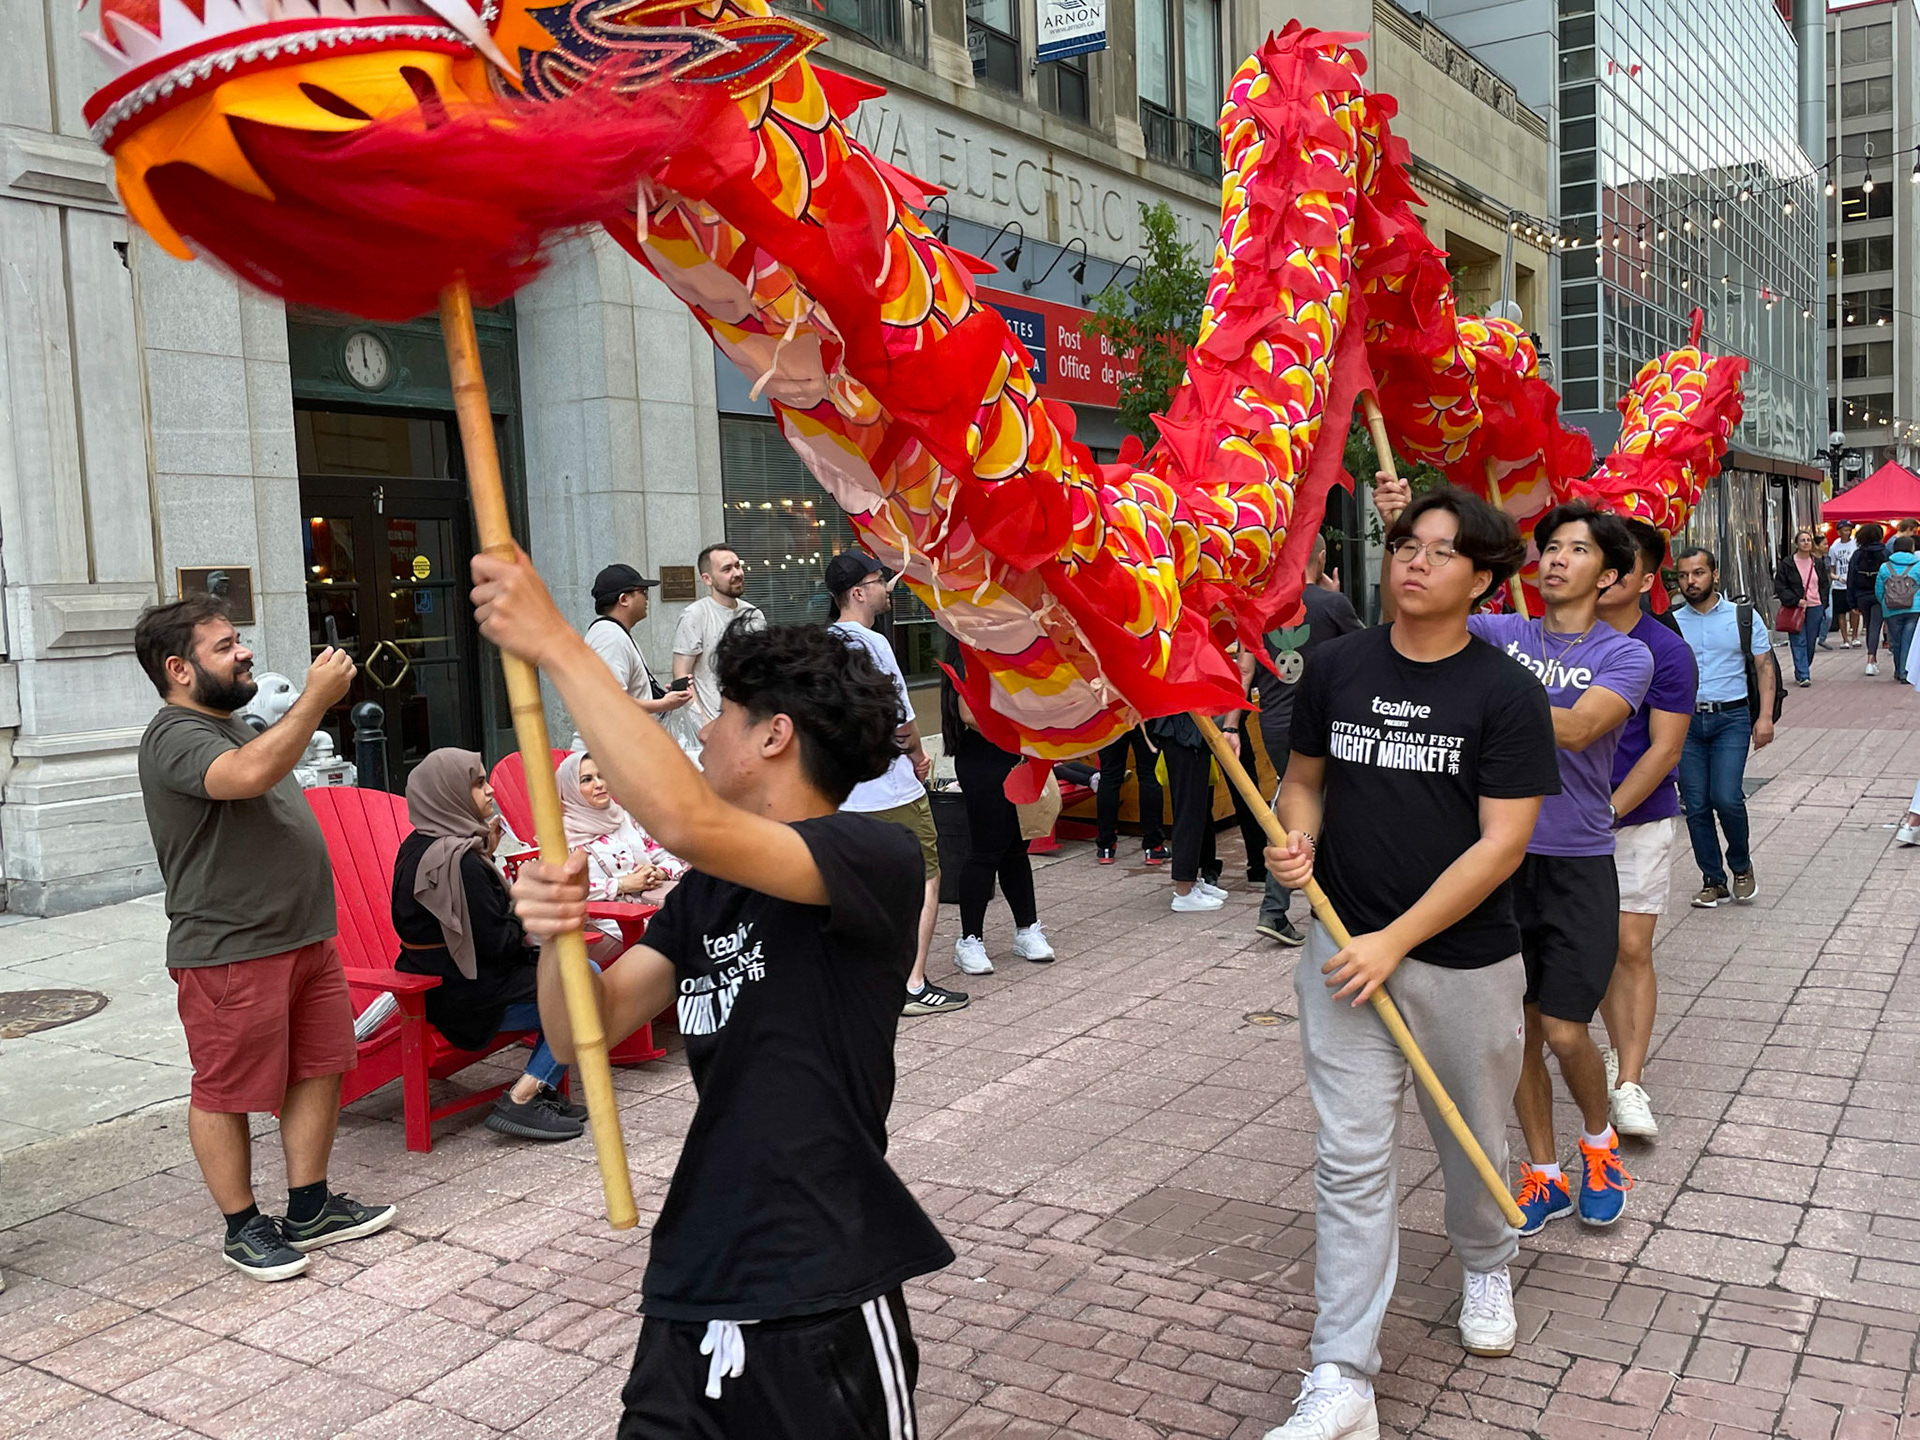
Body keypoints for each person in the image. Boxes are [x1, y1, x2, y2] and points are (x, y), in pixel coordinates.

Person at [468, 541, 955, 1440]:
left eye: (722, 712)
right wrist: (556, 932)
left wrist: (559, 648)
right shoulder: (706, 895)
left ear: (775, 735)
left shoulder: (870, 859)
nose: (704, 730)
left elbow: (684, 821)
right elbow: (590, 1027)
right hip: (697, 1270)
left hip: (821, 1279)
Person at [1261, 486, 1558, 1440]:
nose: (1415, 561)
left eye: (1441, 550)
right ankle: (1342, 1371)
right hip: (1343, 952)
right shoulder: (1339, 667)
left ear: (1482, 579)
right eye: (1405, 544)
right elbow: (1302, 782)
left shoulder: (1504, 691)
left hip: (1462, 965)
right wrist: (1293, 845)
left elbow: (1501, 845)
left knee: (1472, 1137)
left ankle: (1484, 1265)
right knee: (1348, 1161)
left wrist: (1399, 941)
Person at [1381, 487, 1652, 1232]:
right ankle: (1542, 1171)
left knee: (1566, 1030)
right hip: (1496, 862)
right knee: (1515, 1036)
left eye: (1578, 551)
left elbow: (1576, 729)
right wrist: (1399, 526)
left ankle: (1598, 1145)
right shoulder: (1501, 630)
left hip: (1576, 860)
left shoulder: (1624, 655)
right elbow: (1421, 616)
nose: (1557, 560)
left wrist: (1492, 695)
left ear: (1609, 576)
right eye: (1551, 548)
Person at [134, 597, 394, 1282]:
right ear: (179, 669)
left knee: (319, 1067)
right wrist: (316, 698)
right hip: (231, 951)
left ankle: (309, 1207)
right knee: (223, 1089)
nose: (244, 652)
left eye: (238, 640)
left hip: (304, 938)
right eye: (225, 646)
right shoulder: (174, 734)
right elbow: (246, 779)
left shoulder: (229, 727)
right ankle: (242, 1225)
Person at [393, 750, 586, 1142]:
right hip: (467, 1000)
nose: (491, 788)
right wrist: (523, 905)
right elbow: (498, 943)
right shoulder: (459, 863)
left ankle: (541, 1089)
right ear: (450, 793)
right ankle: (524, 1097)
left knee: (575, 975)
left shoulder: (419, 847)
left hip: (445, 988)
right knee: (583, 986)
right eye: (479, 783)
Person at [823, 551, 970, 1013]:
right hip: (890, 786)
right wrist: (921, 757)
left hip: (842, 792)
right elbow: (901, 721)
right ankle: (912, 983)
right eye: (879, 580)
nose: (889, 587)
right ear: (858, 593)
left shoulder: (821, 645)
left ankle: (855, 980)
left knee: (855, 887)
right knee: (926, 877)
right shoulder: (874, 644)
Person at [1595, 519, 1698, 1141]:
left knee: (1631, 947)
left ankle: (1629, 1082)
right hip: (1550, 826)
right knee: (1594, 948)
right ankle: (1611, 1048)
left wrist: (1602, 813)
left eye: (1618, 564)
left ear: (1646, 579)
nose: (1603, 572)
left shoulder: (1667, 650)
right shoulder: (1553, 637)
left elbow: (1663, 750)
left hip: (1635, 820)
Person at [1253, 532, 1362, 946]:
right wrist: (1336, 599)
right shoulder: (1332, 605)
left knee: (1291, 806)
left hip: (1276, 724)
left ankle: (1276, 909)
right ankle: (1310, 905)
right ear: (1321, 557)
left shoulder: (1267, 606)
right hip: (1324, 727)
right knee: (1329, 810)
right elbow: (1370, 652)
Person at [940, 639, 1053, 974]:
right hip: (983, 757)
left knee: (1017, 848)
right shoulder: (967, 650)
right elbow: (969, 713)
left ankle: (1027, 929)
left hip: (1014, 753)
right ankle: (969, 940)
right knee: (986, 849)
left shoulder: (1004, 647)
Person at [1672, 547, 1776, 907]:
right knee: (1696, 804)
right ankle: (1712, 880)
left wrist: (1763, 718)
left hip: (1731, 718)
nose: (1691, 581)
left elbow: (1764, 667)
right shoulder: (1670, 621)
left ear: (1715, 575)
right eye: (1684, 575)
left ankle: (1741, 867)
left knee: (1727, 797)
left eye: (1698, 573)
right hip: (1684, 723)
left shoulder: (1743, 616)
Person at [558, 751, 687, 957]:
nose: (599, 784)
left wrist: (659, 872)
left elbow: (673, 857)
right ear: (571, 790)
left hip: (653, 906)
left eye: (602, 776)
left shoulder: (624, 819)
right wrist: (623, 884)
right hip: (605, 921)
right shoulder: (561, 838)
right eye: (587, 780)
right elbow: (564, 890)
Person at [575, 563, 694, 750]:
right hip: (606, 757)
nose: (647, 598)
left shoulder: (615, 633)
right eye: (643, 591)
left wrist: (664, 699)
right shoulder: (610, 637)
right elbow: (609, 703)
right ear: (623, 599)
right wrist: (662, 704)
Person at [1147, 707, 1244, 913]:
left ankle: (1191, 881)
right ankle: (1184, 890)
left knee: (1197, 812)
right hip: (1182, 731)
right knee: (1188, 812)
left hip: (1191, 731)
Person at [674, 544, 764, 731]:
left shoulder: (754, 615)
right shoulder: (695, 615)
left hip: (752, 723)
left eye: (737, 566)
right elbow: (681, 675)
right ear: (707, 579)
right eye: (727, 569)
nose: (737, 573)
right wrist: (703, 721)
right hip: (712, 724)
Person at [1094, 727, 1168, 867]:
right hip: (1144, 713)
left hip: (1112, 713)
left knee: (1109, 776)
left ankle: (1105, 847)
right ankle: (1153, 847)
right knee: (1149, 776)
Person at [1772, 528, 1828, 687]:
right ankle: (1803, 674)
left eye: (1808, 540)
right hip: (1795, 608)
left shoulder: (1817, 562)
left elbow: (1824, 584)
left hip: (1815, 606)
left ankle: (1802, 668)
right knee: (1798, 640)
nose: (1806, 543)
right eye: (1802, 540)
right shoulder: (1788, 564)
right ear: (1796, 544)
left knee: (1810, 641)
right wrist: (1796, 600)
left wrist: (1823, 602)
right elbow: (1781, 586)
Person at [1874, 536, 1920, 683]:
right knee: (1908, 640)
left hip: (1891, 609)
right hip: (1913, 608)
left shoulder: (1884, 567)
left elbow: (1879, 590)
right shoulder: (1918, 565)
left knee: (1896, 641)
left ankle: (1898, 670)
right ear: (1911, 548)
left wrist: (1884, 603)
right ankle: (1904, 672)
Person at [1849, 522, 1890, 675]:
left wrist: (1851, 601)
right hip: (1880, 595)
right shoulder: (1885, 553)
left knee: (1869, 625)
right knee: (1875, 626)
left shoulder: (1858, 554)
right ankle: (1870, 660)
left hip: (1861, 595)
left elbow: (1850, 578)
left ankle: (1872, 659)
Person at [1828, 521, 1859, 647]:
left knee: (1855, 611)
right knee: (1841, 613)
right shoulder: (1834, 547)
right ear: (1839, 532)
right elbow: (1831, 570)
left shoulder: (1856, 544)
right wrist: (1837, 578)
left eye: (1849, 530)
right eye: (1845, 530)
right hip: (1839, 585)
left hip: (1853, 584)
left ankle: (1855, 636)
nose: (1847, 532)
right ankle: (1845, 639)